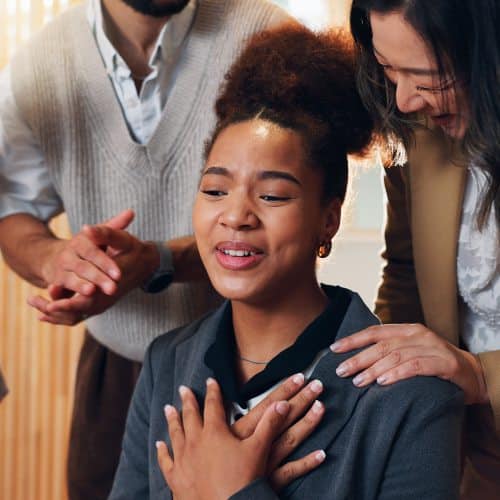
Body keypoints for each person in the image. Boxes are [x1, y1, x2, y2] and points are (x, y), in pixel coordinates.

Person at [110, 25, 463, 499]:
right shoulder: (166, 365)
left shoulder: (414, 399)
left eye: (272, 195)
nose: (235, 215)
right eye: (215, 190)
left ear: (328, 220)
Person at [0, 0, 295, 497]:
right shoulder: (37, 68)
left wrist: (159, 261)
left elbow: (298, 213)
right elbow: (12, 209)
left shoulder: (267, 40)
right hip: (114, 371)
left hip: (258, 361)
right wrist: (58, 260)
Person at [330, 1, 499, 497]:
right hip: (474, 456)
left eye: (425, 78)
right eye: (388, 70)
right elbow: (406, 275)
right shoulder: (421, 133)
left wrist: (481, 376)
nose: (403, 101)